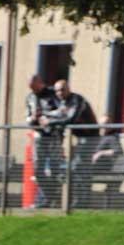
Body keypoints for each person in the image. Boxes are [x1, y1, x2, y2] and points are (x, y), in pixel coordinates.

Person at [39, 80, 99, 208]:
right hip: (80, 138)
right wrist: (45, 116)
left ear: (68, 89)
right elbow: (59, 115)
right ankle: (79, 201)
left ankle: (82, 202)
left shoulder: (77, 100)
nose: (59, 93)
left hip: (90, 137)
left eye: (62, 90)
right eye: (57, 91)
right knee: (77, 169)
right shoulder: (63, 102)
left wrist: (49, 122)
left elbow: (71, 118)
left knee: (78, 167)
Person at [25, 74, 60, 207]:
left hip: (53, 136)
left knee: (54, 168)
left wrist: (48, 117)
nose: (33, 91)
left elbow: (62, 112)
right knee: (37, 169)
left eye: (34, 87)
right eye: (31, 88)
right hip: (38, 136)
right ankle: (48, 196)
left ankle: (49, 199)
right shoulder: (30, 98)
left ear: (40, 82)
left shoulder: (53, 94)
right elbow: (27, 118)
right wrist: (32, 118)